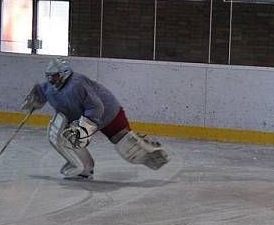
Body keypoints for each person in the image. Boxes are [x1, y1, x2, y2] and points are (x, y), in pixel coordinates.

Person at [22, 58, 170, 179]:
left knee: (128, 148)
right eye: (49, 77)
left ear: (63, 73)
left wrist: (85, 129)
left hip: (109, 114)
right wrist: (35, 99)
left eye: (54, 76)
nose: (51, 80)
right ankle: (84, 169)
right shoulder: (49, 87)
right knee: (65, 137)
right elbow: (42, 91)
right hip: (85, 117)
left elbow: (96, 107)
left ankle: (151, 149)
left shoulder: (76, 84)